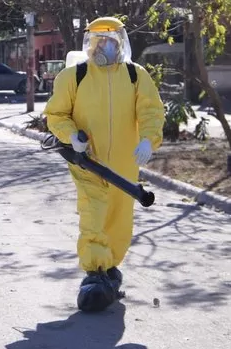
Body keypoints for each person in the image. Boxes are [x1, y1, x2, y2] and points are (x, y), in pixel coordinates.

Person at [43, 16, 165, 312]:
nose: (104, 47)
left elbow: (151, 111)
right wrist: (73, 137)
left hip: (124, 165)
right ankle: (95, 274)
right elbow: (56, 114)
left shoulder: (136, 76)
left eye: (109, 41)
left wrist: (149, 140)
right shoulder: (75, 76)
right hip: (88, 163)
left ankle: (110, 269)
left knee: (120, 221)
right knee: (93, 213)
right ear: (89, 43)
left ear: (120, 43)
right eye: (98, 41)